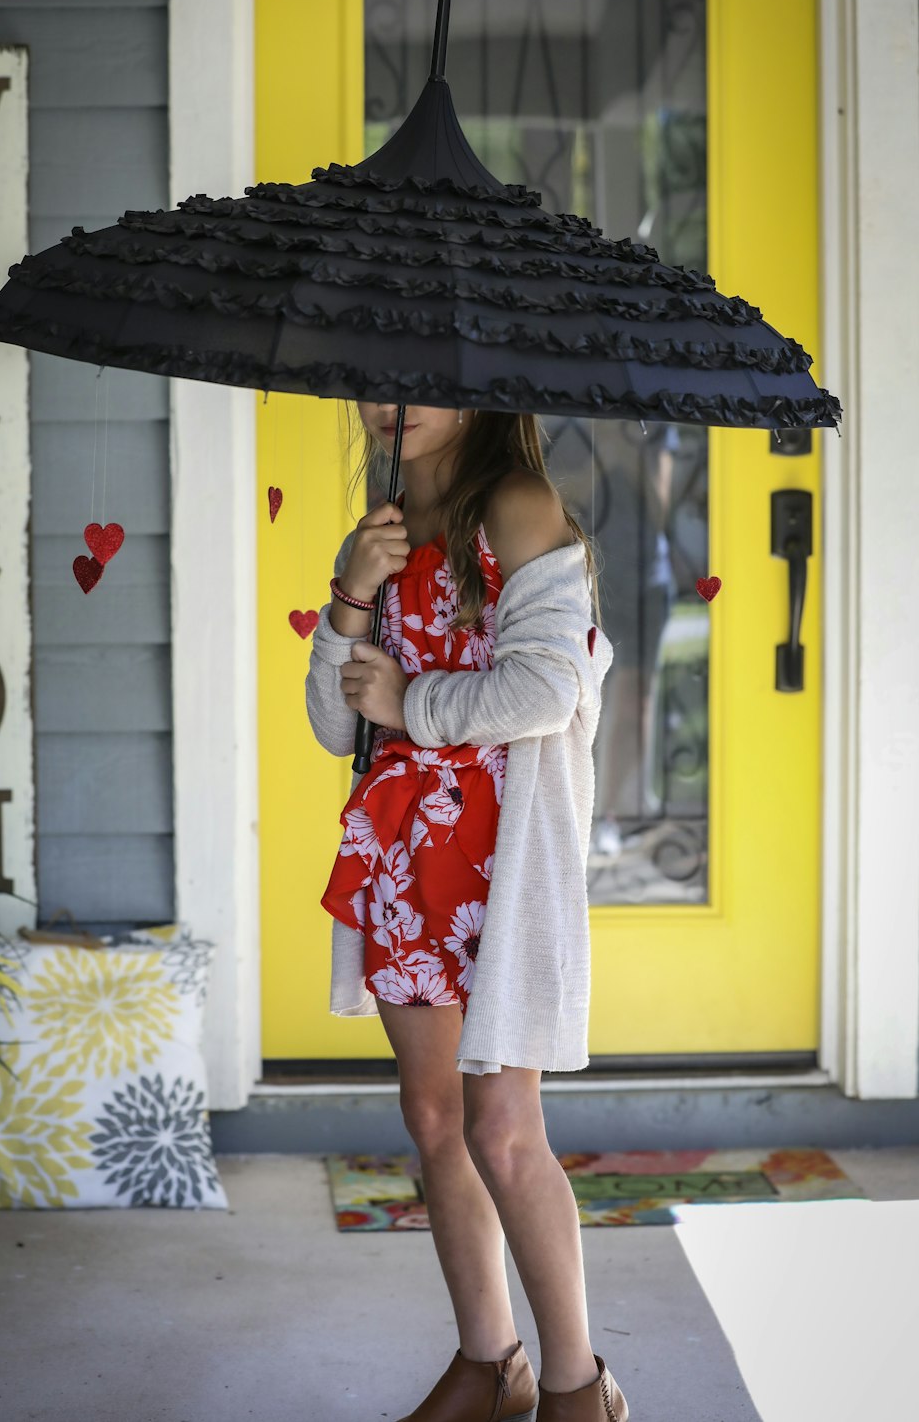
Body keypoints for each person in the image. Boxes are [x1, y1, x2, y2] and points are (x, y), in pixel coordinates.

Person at [305, 401, 629, 1422]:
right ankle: (491, 1364)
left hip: (501, 864)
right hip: (406, 865)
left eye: (425, 379)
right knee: (435, 1116)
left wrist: (417, 706)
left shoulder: (518, 508)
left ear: (482, 384)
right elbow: (331, 720)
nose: (392, 402)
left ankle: (578, 1382)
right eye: (378, 377)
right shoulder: (386, 523)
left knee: (501, 1129)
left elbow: (546, 687)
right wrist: (352, 594)